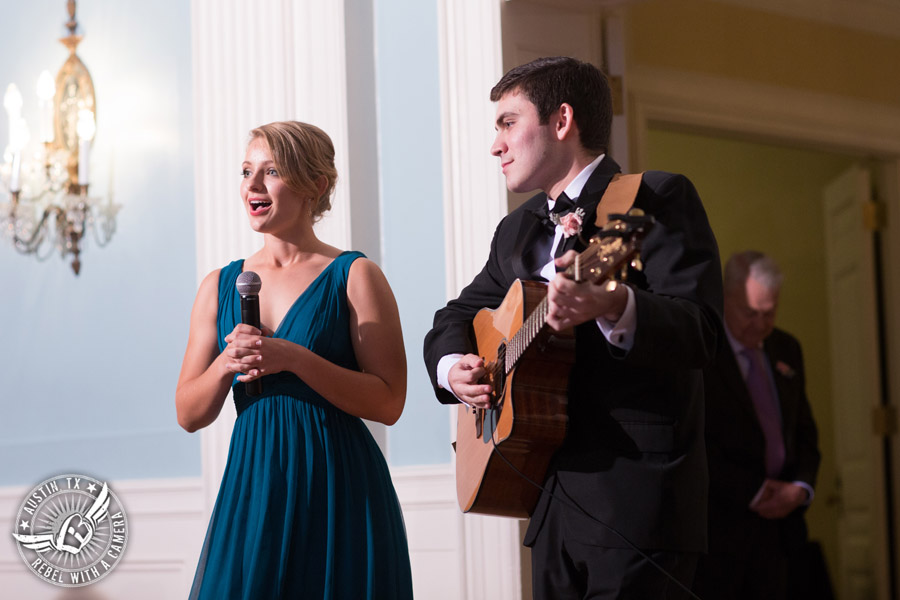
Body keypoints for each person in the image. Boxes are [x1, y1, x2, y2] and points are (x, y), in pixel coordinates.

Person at [423, 56, 723, 599]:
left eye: (508, 123)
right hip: (546, 500)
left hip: (638, 503)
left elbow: (702, 331)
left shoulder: (651, 200)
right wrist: (454, 369)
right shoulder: (515, 231)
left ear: (562, 122)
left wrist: (614, 306)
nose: (496, 145)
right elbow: (456, 317)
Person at [176, 121, 413, 599]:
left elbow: (389, 401)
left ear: (315, 186)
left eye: (272, 171)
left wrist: (294, 359)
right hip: (255, 483)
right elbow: (188, 413)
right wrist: (225, 364)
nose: (252, 186)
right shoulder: (217, 286)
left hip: (339, 484)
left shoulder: (355, 275)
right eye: (246, 171)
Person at [692, 251, 821, 600]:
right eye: (750, 313)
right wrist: (751, 490)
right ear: (725, 299)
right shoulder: (704, 352)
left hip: (783, 531)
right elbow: (696, 442)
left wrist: (801, 487)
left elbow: (804, 432)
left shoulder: (786, 348)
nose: (761, 325)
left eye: (769, 313)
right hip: (723, 531)